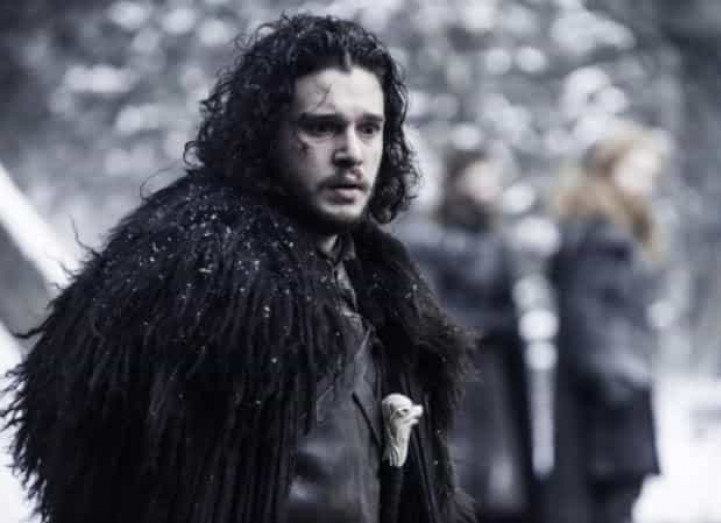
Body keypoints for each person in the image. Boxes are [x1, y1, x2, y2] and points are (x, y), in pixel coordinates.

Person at [3, 14, 475, 523]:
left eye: (369, 129)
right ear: (267, 133)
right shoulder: (191, 274)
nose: (351, 153)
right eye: (321, 127)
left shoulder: (387, 297)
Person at [399, 148, 536, 523]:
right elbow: (433, 313)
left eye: (491, 178)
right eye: (479, 177)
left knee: (496, 477)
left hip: (494, 371)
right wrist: (489, 323)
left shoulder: (493, 235)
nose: (488, 187)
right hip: (456, 372)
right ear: (458, 181)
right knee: (463, 469)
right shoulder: (434, 238)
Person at [545, 122, 667, 523]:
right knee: (604, 506)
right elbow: (588, 322)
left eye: (651, 174)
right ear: (608, 170)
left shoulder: (616, 233)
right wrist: (623, 378)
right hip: (607, 408)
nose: (647, 183)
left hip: (612, 402)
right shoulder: (600, 238)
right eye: (637, 171)